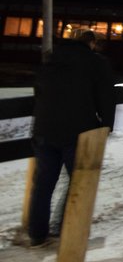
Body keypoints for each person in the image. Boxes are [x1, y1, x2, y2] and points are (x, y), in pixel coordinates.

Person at [27, 29, 117, 248]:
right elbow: (106, 96)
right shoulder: (96, 63)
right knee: (78, 181)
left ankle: (37, 233)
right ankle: (69, 227)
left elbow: (39, 92)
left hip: (44, 130)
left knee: (43, 184)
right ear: (92, 44)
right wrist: (106, 126)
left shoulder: (51, 60)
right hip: (78, 131)